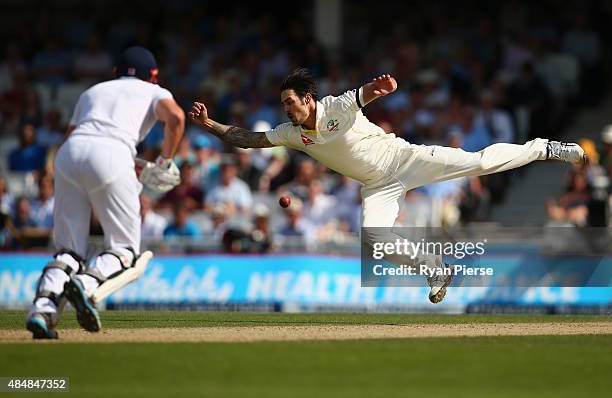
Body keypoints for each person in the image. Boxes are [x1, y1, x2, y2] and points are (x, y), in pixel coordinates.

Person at [189, 68, 587, 304]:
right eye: (283, 105)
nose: (286, 110)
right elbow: (247, 139)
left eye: (290, 102)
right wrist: (210, 125)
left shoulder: (335, 107)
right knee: (375, 238)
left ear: (309, 99)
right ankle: (435, 269)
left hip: (405, 160)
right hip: (377, 186)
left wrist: (376, 90)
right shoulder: (292, 134)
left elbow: (361, 95)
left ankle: (544, 148)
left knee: (479, 162)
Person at [26, 46, 185, 339]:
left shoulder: (94, 91)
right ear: (153, 75)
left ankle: (43, 310)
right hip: (112, 153)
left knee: (69, 250)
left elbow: (75, 137)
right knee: (125, 250)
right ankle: (85, 284)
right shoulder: (155, 91)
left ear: (115, 72)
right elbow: (176, 118)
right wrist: (164, 161)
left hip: (69, 154)